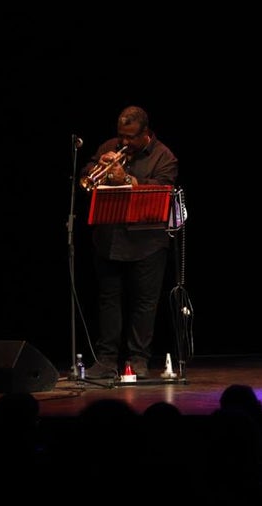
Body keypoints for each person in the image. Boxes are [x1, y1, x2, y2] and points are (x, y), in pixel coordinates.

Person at [81, 105, 178, 379]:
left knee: (144, 303)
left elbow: (161, 190)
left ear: (145, 133)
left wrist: (129, 180)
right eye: (121, 136)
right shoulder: (109, 146)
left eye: (131, 137)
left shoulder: (165, 156)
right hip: (110, 239)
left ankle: (138, 360)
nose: (124, 143)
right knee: (108, 300)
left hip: (147, 243)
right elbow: (88, 171)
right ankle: (106, 359)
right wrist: (99, 166)